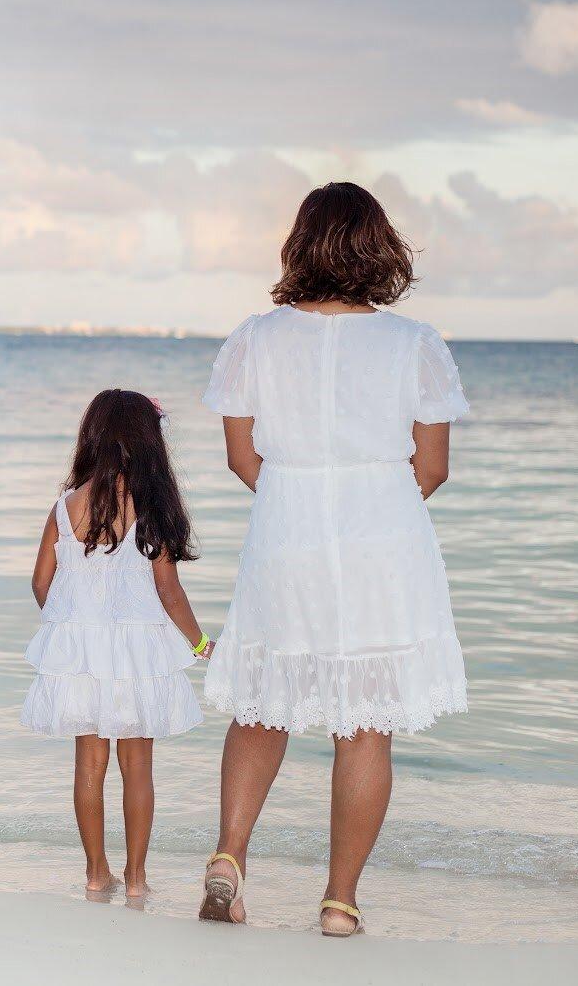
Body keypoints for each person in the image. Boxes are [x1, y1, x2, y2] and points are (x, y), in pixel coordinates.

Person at [198, 182, 469, 935]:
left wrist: (298, 497)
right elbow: (433, 466)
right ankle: (340, 902)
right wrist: (370, 507)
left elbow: (241, 456)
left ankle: (228, 856)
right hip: (383, 534)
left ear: (301, 242)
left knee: (262, 704)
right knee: (365, 724)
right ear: (378, 245)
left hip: (285, 527)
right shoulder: (415, 344)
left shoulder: (256, 336)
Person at [23, 390, 211, 900]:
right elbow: (169, 591)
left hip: (83, 659)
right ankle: (136, 879)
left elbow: (42, 583)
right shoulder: (149, 508)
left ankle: (94, 873)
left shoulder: (66, 507)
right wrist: (201, 645)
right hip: (136, 660)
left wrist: (76, 629)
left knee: (89, 764)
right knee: (138, 768)